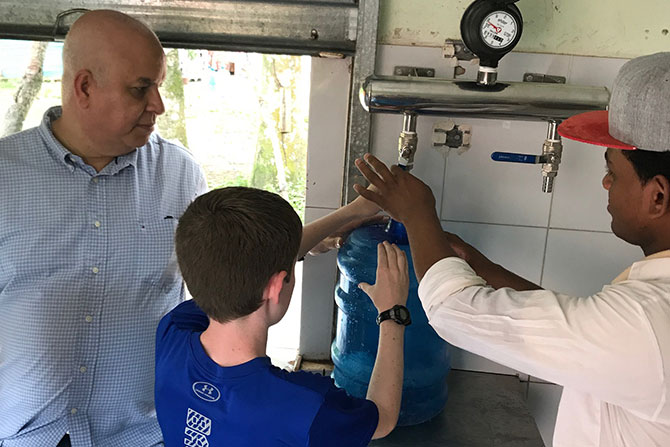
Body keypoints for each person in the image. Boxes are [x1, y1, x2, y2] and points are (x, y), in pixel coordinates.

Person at [0, 10, 380, 447]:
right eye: (140, 89)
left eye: (158, 86)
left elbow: (244, 258)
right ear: (84, 87)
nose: (158, 105)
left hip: (149, 435)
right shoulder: (6, 175)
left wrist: (352, 213)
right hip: (25, 436)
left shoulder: (177, 173)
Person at [353, 52, 670, 447]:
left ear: (657, 196)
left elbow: (452, 310)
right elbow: (580, 332)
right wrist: (481, 265)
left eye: (612, 172)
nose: (606, 185)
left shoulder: (647, 323)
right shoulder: (646, 316)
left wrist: (418, 214)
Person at [154, 186, 409, 446]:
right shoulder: (306, 406)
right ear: (277, 286)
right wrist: (392, 312)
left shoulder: (173, 331)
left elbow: (230, 270)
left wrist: (352, 212)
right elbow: (384, 419)